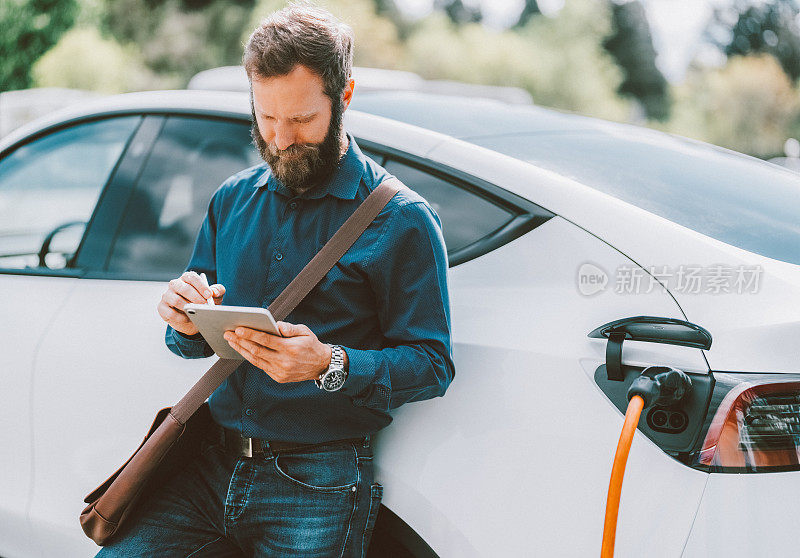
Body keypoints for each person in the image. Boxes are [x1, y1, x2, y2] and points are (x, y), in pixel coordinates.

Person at [96, 4, 455, 557]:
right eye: (267, 117)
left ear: (346, 96)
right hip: (203, 467)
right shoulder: (231, 199)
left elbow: (433, 364)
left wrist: (329, 365)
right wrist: (181, 316)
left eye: (302, 121)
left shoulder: (402, 219)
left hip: (317, 484)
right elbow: (187, 341)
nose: (282, 138)